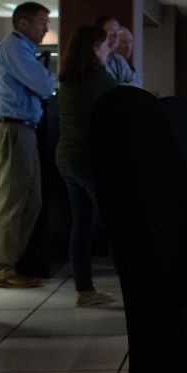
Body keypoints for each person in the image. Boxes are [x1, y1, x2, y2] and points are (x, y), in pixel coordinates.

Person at [0, 2, 58, 289]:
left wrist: (46, 79)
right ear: (23, 24)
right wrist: (46, 79)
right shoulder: (14, 47)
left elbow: (44, 82)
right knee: (11, 203)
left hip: (22, 129)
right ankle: (1, 269)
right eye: (42, 22)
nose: (46, 29)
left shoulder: (24, 51)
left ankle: (8, 265)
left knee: (31, 201)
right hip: (11, 129)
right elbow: (44, 85)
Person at [55, 25, 120, 307]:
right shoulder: (100, 79)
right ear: (94, 48)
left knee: (82, 224)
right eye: (105, 45)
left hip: (67, 158)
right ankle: (137, 290)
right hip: (90, 159)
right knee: (117, 224)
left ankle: (85, 290)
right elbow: (122, 110)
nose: (108, 50)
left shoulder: (69, 79)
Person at [96, 15, 142, 87]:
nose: (116, 35)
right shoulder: (93, 60)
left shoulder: (118, 59)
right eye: (111, 32)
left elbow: (138, 83)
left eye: (118, 31)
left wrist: (119, 87)